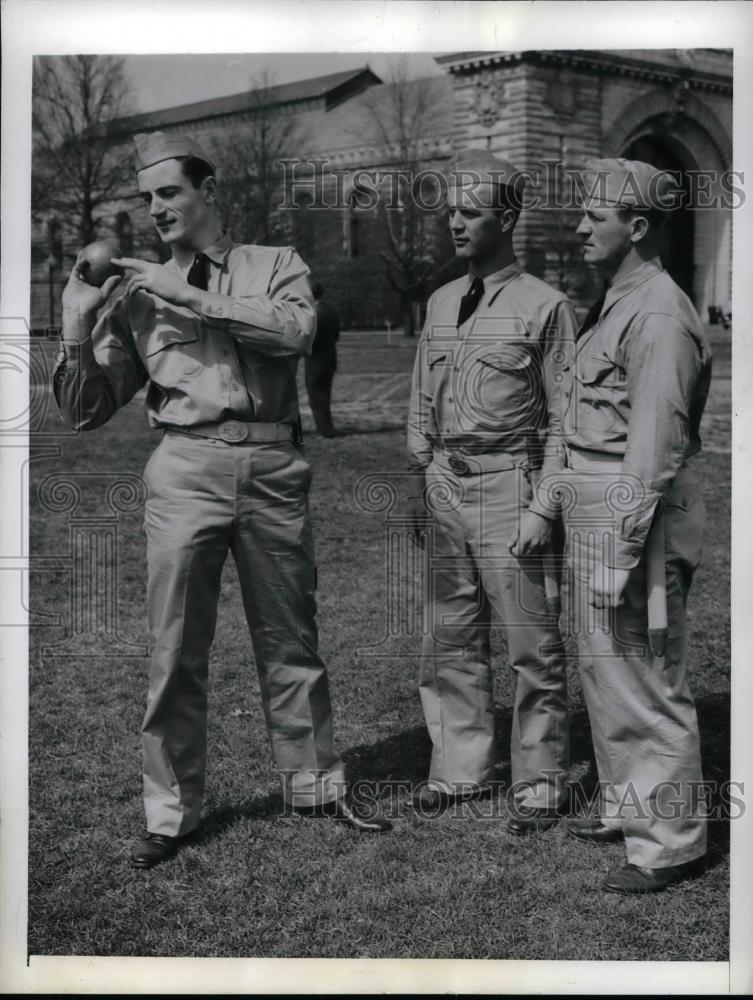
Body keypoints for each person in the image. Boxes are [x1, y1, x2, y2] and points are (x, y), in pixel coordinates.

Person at [53, 131, 391, 869]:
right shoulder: (136, 292)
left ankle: (312, 787)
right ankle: (169, 812)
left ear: (211, 193)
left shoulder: (274, 265)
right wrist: (77, 319)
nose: (155, 209)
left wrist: (189, 293)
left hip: (271, 461)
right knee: (176, 649)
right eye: (146, 199)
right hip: (184, 465)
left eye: (169, 192)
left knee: (291, 638)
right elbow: (84, 410)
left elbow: (295, 332)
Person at [406, 149, 577, 834]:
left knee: (530, 644)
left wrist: (545, 505)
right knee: (446, 636)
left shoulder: (546, 306)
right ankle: (459, 768)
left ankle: (539, 782)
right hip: (447, 479)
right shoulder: (442, 299)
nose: (454, 222)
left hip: (513, 482)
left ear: (505, 218)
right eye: (450, 210)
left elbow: (567, 418)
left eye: (469, 212)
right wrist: (420, 471)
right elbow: (423, 393)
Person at [559, 158, 711, 893]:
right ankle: (628, 806)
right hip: (604, 503)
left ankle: (669, 844)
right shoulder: (619, 298)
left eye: (595, 215)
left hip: (636, 515)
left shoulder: (654, 312)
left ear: (638, 227)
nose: (578, 226)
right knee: (606, 669)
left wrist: (616, 551)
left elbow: (651, 448)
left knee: (646, 675)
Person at [305, 281, 340, 437]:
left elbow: (311, 339)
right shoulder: (331, 311)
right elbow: (336, 336)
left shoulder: (313, 314)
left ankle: (324, 429)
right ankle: (327, 427)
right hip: (330, 358)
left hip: (315, 361)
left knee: (316, 396)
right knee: (325, 395)